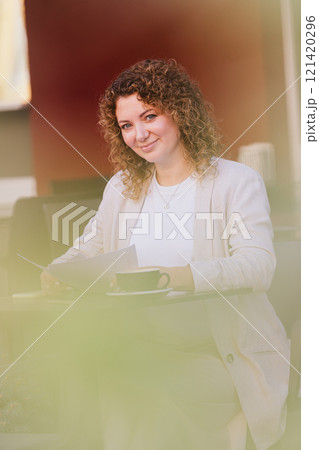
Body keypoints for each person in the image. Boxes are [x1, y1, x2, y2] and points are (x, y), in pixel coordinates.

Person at [41, 59, 290, 450]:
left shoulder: (235, 182)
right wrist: (58, 271)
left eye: (149, 116)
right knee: (84, 371)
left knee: (134, 385)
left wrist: (174, 276)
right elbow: (88, 249)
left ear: (179, 111)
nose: (139, 134)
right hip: (140, 347)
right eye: (126, 125)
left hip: (219, 355)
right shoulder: (123, 188)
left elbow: (258, 265)